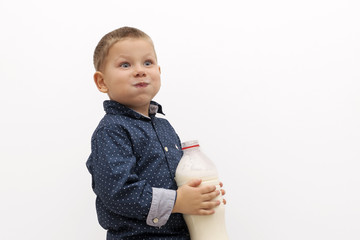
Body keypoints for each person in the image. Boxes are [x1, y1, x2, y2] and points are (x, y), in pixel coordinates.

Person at [86, 26, 225, 240]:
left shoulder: (164, 127)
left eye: (148, 63)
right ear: (102, 81)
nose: (140, 70)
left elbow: (178, 181)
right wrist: (178, 201)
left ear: (159, 72)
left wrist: (201, 194)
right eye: (125, 64)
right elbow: (118, 193)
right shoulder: (111, 130)